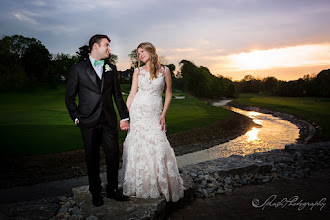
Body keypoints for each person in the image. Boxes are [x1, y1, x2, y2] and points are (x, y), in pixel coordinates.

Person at [65, 34, 130, 207]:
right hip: (88, 122)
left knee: (113, 156)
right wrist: (77, 118)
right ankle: (96, 192)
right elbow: (69, 98)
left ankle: (112, 190)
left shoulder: (112, 68)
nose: (109, 49)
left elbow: (117, 96)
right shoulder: (78, 68)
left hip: (109, 121)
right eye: (107, 45)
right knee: (92, 158)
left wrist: (124, 117)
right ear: (96, 46)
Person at [121, 42, 184, 202]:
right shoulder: (137, 71)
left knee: (159, 143)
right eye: (138, 53)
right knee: (138, 145)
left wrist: (163, 115)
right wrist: (125, 116)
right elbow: (132, 95)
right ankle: (141, 185)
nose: (140, 55)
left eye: (142, 51)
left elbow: (168, 94)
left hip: (155, 113)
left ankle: (162, 183)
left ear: (151, 51)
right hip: (138, 112)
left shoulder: (165, 70)